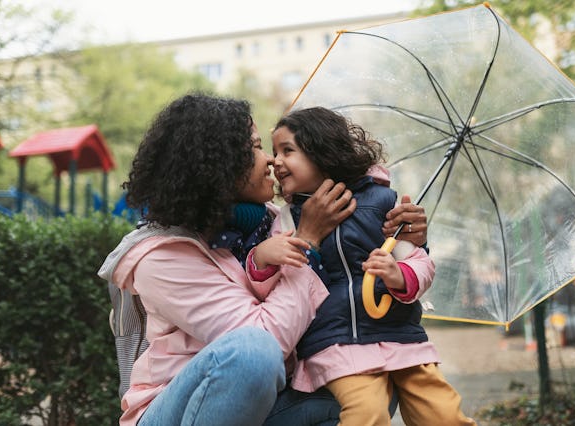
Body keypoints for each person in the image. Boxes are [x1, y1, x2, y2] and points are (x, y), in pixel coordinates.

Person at [97, 92, 430, 426]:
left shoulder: (273, 221)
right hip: (177, 410)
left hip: (268, 398)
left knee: (365, 389)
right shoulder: (162, 256)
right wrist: (306, 242)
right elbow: (266, 341)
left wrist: (402, 236)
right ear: (219, 165)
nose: (270, 161)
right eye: (255, 148)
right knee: (251, 350)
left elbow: (357, 266)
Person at [255, 106, 476, 426]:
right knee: (366, 413)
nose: (275, 161)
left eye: (287, 150)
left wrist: (399, 274)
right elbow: (271, 284)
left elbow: (419, 261)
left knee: (443, 414)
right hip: (336, 345)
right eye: (274, 152)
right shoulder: (287, 220)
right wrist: (261, 259)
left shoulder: (383, 202)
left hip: (401, 336)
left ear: (322, 151)